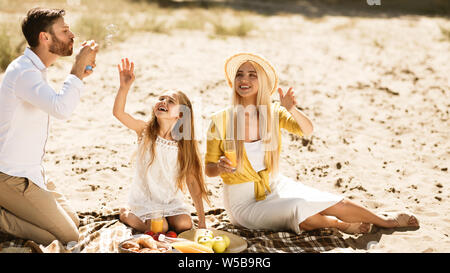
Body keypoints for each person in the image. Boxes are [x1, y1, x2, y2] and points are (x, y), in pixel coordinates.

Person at [205, 52, 419, 235]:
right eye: (240, 74)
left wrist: (291, 109)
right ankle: (340, 225)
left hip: (275, 185)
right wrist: (220, 167)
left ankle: (384, 220)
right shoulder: (220, 120)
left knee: (333, 202)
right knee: (299, 209)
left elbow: (307, 129)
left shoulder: (273, 113)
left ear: (262, 82)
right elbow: (209, 170)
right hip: (243, 204)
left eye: (252, 75)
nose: (245, 79)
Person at [0, 8, 98, 245]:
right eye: (64, 31)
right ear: (45, 37)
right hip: (11, 176)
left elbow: (58, 104)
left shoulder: (35, 70)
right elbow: (60, 108)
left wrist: (79, 77)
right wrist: (75, 71)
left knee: (73, 222)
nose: (72, 35)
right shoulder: (24, 72)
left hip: (33, 173)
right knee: (68, 238)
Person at [113, 58, 209, 234]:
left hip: (169, 200)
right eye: (161, 98)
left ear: (180, 114)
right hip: (145, 198)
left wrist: (202, 222)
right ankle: (126, 213)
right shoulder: (145, 131)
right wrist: (124, 87)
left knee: (184, 224)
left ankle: (165, 220)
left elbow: (193, 182)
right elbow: (118, 113)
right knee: (160, 228)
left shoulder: (184, 144)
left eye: (170, 101)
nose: (163, 102)